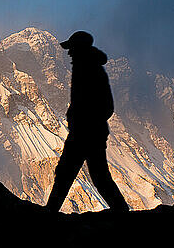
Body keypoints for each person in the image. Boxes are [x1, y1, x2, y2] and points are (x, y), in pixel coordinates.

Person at [46, 31, 129, 212]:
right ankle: (121, 209)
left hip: (85, 133)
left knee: (67, 172)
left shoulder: (88, 70)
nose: (69, 54)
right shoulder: (88, 68)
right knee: (95, 175)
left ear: (79, 49)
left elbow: (106, 106)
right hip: (90, 132)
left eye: (72, 49)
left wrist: (85, 122)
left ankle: (50, 212)